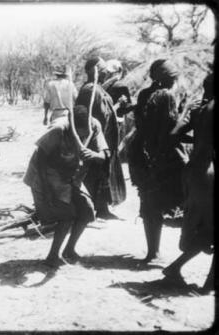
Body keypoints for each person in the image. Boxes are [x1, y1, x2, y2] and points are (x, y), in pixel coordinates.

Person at [24, 105, 110, 268]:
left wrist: (95, 155)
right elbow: (41, 157)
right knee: (66, 214)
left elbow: (105, 154)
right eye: (79, 133)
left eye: (85, 132)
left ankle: (69, 250)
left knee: (86, 210)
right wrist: (46, 189)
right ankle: (52, 256)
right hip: (48, 173)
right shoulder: (58, 129)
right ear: (72, 127)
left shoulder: (94, 125)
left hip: (72, 174)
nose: (83, 136)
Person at [127, 59, 189, 262]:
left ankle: (153, 252)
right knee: (187, 194)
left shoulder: (145, 94)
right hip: (164, 155)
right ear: (170, 79)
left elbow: (143, 124)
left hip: (142, 155)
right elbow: (171, 130)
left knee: (149, 203)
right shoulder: (168, 96)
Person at [162, 72, 214, 292]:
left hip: (194, 171)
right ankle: (207, 285)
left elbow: (173, 135)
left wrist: (199, 138)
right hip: (210, 172)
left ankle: (177, 269)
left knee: (207, 229)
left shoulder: (198, 110)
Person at [76, 57, 126, 220]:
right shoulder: (91, 90)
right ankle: (96, 209)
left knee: (103, 172)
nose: (107, 72)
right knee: (96, 172)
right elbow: (91, 116)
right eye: (103, 69)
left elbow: (106, 112)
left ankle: (102, 208)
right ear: (96, 71)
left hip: (105, 138)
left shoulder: (98, 88)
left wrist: (118, 106)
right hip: (97, 139)